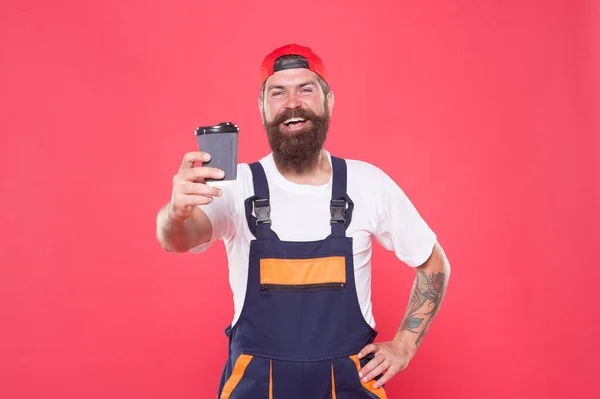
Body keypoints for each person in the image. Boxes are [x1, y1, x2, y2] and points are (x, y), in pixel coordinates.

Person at [156, 43, 451, 399]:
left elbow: (434, 263)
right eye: (278, 92)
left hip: (347, 387)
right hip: (255, 387)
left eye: (305, 89)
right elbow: (177, 239)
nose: (292, 103)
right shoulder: (235, 185)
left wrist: (405, 344)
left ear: (328, 100)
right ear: (262, 108)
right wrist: (176, 211)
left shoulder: (368, 182)